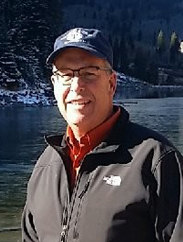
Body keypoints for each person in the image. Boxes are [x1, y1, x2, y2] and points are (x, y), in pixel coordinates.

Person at [22, 27, 183, 242]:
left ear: (111, 84)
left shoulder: (156, 160)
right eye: (66, 75)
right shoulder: (45, 165)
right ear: (54, 85)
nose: (76, 86)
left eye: (89, 73)